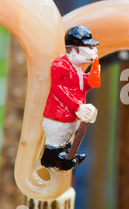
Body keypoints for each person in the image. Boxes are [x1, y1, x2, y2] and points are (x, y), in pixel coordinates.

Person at [41, 25, 100, 171]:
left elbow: (82, 86)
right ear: (72, 50)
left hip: (72, 116)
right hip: (59, 117)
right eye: (89, 48)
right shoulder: (60, 66)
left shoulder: (77, 68)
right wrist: (77, 107)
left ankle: (66, 156)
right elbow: (59, 89)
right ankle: (52, 158)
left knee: (66, 140)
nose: (94, 52)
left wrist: (92, 76)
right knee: (56, 140)